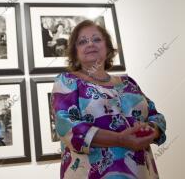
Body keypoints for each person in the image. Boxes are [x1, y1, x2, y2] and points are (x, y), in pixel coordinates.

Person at [51, 20, 166, 179]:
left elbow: (156, 116)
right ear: (75, 52)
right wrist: (120, 139)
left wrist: (150, 130)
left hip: (142, 173)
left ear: (108, 48)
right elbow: (66, 127)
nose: (90, 44)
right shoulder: (67, 82)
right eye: (82, 41)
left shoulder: (128, 83)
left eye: (97, 39)